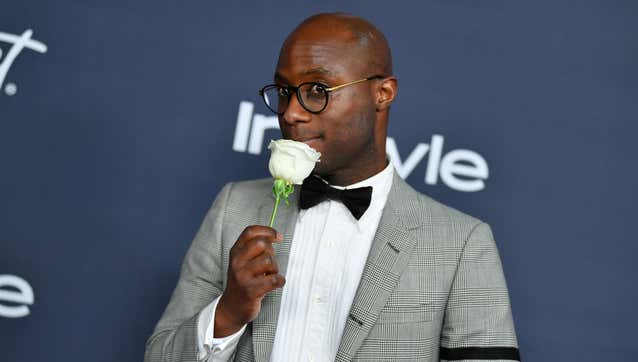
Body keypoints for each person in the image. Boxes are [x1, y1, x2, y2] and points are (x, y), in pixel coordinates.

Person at [145, 12, 520, 362]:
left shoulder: (461, 243)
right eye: (284, 90)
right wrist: (227, 312)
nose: (291, 112)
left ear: (383, 93)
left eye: (318, 90)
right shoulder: (233, 208)